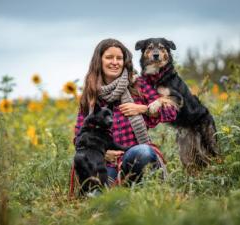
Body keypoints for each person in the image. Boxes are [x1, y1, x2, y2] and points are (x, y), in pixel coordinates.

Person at [72, 38, 177, 188]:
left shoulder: (138, 85)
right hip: (103, 162)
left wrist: (144, 109)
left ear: (124, 61)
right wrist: (102, 152)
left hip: (133, 156)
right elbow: (78, 138)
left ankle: (144, 189)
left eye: (119, 58)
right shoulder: (91, 95)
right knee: (101, 198)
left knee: (144, 152)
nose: (115, 62)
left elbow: (171, 112)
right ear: (99, 61)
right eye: (109, 57)